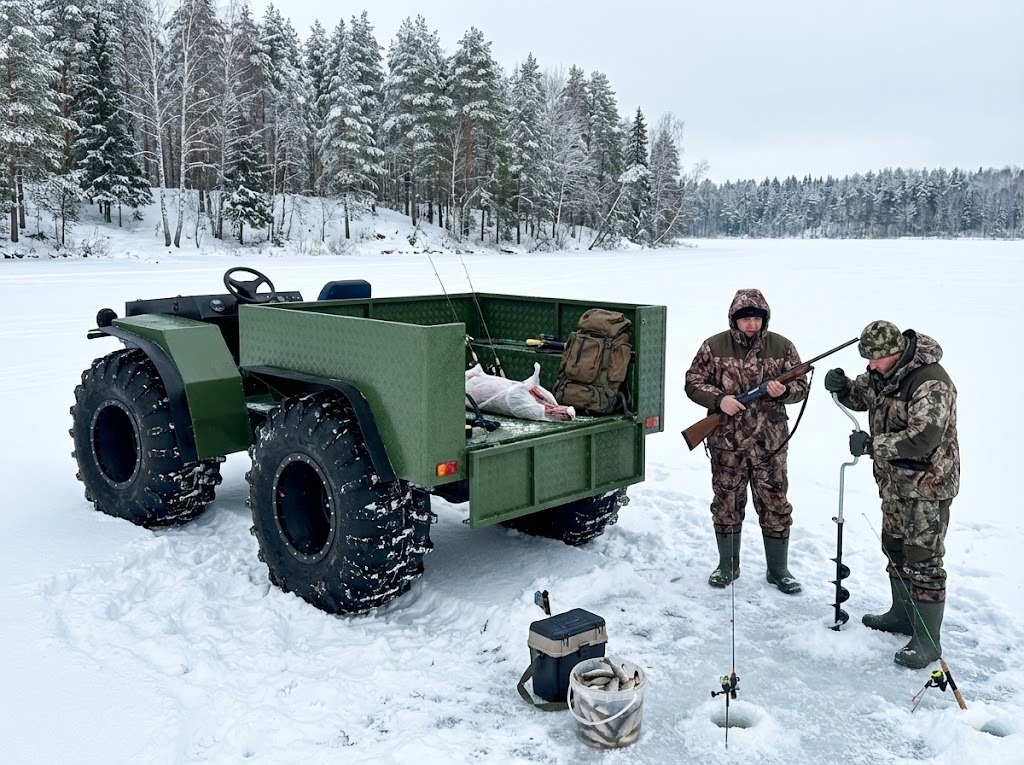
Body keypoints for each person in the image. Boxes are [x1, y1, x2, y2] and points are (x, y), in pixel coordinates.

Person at [824, 321, 959, 669]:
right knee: (895, 546)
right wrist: (842, 388)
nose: (869, 366)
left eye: (875, 359)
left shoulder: (930, 381)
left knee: (924, 559)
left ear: (896, 353)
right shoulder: (882, 372)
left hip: (928, 485)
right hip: (894, 484)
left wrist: (872, 445)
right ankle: (902, 615)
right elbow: (863, 396)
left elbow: (924, 437)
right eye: (866, 359)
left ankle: (929, 641)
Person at [685, 288, 808, 594]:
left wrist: (786, 393)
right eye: (745, 319)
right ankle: (727, 566)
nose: (751, 324)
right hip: (727, 441)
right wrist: (720, 400)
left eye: (756, 318)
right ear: (734, 320)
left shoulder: (782, 346)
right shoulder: (713, 346)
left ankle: (778, 570)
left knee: (776, 503)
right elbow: (692, 382)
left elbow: (801, 387)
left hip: (770, 443)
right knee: (726, 503)